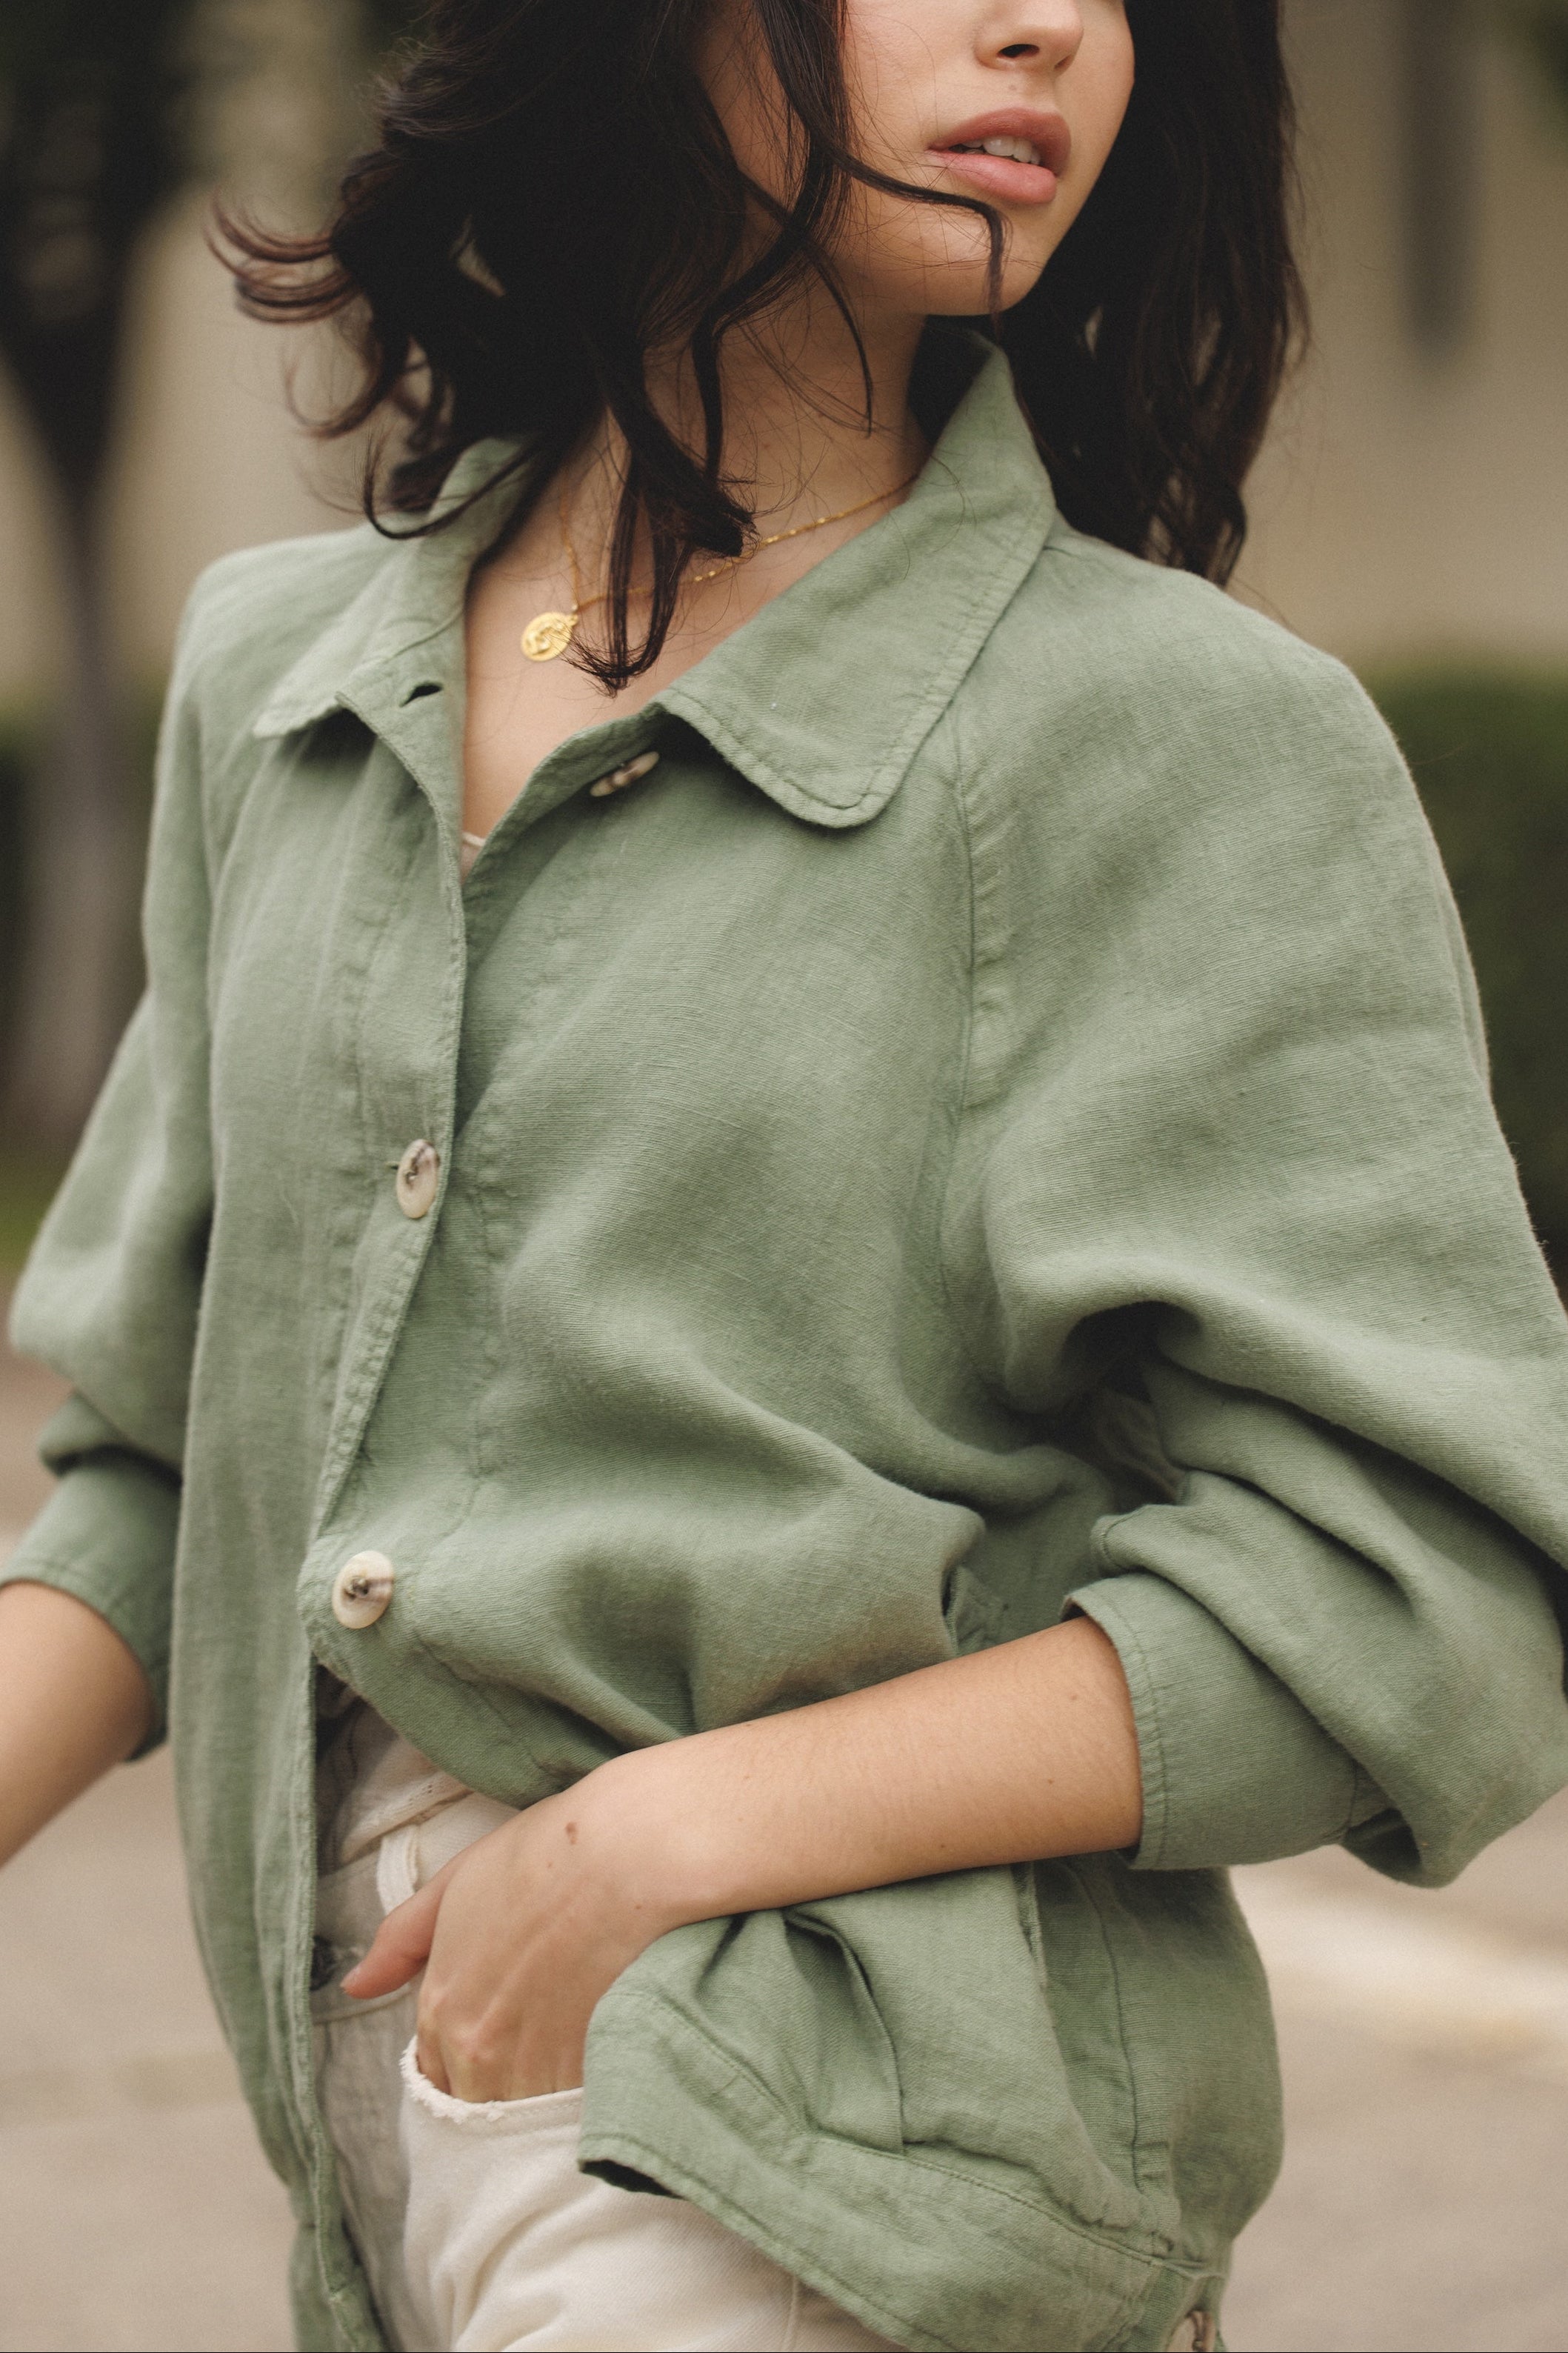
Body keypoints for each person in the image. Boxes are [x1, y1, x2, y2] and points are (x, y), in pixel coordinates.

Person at [3, 1, 1567, 2347]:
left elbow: (1425, 1590)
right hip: (380, 2171)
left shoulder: (1174, 747)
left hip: (848, 2181)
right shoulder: (281, 681)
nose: (1049, 22)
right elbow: (155, 1466)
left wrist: (667, 1833)